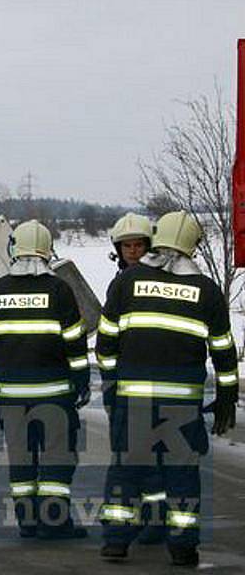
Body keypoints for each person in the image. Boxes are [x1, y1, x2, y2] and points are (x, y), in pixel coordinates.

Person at [96, 211, 238, 566]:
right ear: (192, 246)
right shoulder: (206, 291)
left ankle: (116, 541)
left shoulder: (126, 284)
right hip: (182, 406)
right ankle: (182, 547)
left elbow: (106, 343)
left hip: (134, 399)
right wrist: (226, 397)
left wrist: (113, 386)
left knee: (126, 469)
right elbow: (223, 350)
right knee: (182, 474)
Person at [0, 220, 90, 540]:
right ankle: (54, 522)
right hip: (54, 395)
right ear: (46, 249)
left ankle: (27, 521)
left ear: (14, 249)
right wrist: (81, 380)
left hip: (12, 398)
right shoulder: (59, 290)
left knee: (21, 460)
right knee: (57, 458)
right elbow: (75, 342)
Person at [100, 213, 167, 545]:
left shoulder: (154, 282)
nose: (133, 251)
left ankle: (150, 523)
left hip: (140, 383)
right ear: (118, 248)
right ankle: (146, 520)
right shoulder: (119, 283)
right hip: (129, 381)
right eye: (127, 245)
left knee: (144, 457)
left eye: (139, 244)